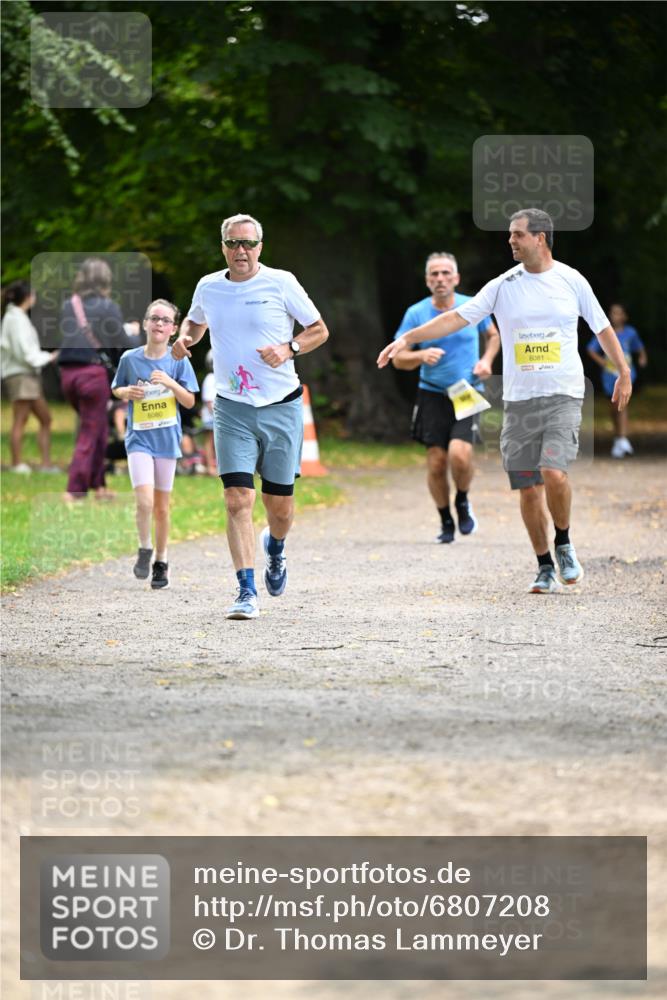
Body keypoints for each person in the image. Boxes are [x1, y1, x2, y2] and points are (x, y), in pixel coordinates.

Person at [378, 208, 633, 594]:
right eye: (510, 234)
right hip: (518, 399)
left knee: (554, 472)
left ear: (540, 238)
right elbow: (456, 319)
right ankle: (544, 564)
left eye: (517, 234)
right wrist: (408, 339)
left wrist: (623, 370)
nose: (510, 240)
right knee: (528, 488)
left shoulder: (571, 280)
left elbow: (601, 327)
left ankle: (563, 541)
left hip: (563, 392)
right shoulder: (502, 285)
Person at [172, 212, 329, 620]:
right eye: (233, 243)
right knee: (237, 499)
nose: (240, 251)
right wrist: (184, 339)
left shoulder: (282, 282)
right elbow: (194, 321)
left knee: (279, 507)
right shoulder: (209, 286)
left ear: (261, 246)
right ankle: (245, 590)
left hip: (281, 405)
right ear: (222, 246)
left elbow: (318, 329)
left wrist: (289, 349)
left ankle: (275, 549)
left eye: (248, 243)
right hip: (232, 407)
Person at [391, 252, 500, 543]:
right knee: (437, 462)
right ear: (427, 281)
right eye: (434, 274)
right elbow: (397, 358)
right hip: (431, 395)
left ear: (456, 278)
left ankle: (462, 500)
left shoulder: (471, 307)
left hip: (467, 391)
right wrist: (419, 355)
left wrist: (487, 360)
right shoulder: (416, 314)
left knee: (460, 455)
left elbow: (493, 335)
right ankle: (446, 521)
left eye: (445, 273)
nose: (440, 279)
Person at [111, 299, 198, 590]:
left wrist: (170, 384)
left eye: (165, 320)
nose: (159, 324)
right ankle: (144, 546)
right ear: (146, 323)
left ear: (173, 329)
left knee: (162, 507)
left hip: (166, 440)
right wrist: (127, 391)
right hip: (139, 439)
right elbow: (116, 388)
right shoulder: (130, 359)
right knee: (144, 501)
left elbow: (190, 401)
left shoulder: (178, 360)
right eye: (154, 318)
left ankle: (161, 560)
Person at [58, 258, 130, 501]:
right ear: (105, 280)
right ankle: (74, 490)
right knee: (90, 431)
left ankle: (98, 486)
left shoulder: (70, 305)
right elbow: (119, 343)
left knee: (97, 427)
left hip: (68, 375)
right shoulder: (108, 306)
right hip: (92, 375)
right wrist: (133, 336)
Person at [0, 279, 59, 473]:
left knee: (45, 419)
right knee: (21, 419)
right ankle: (17, 464)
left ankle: (45, 464)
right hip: (21, 375)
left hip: (27, 375)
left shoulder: (19, 317)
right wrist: (48, 357)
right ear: (27, 297)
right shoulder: (15, 319)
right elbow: (24, 352)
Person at [587, 303, 647, 458]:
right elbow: (591, 349)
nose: (616, 316)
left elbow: (639, 347)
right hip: (609, 376)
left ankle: (623, 438)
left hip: (626, 374)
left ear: (625, 316)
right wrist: (603, 362)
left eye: (619, 313)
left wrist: (642, 357)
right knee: (614, 407)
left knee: (623, 405)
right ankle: (618, 438)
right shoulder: (605, 332)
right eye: (613, 313)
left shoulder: (630, 333)